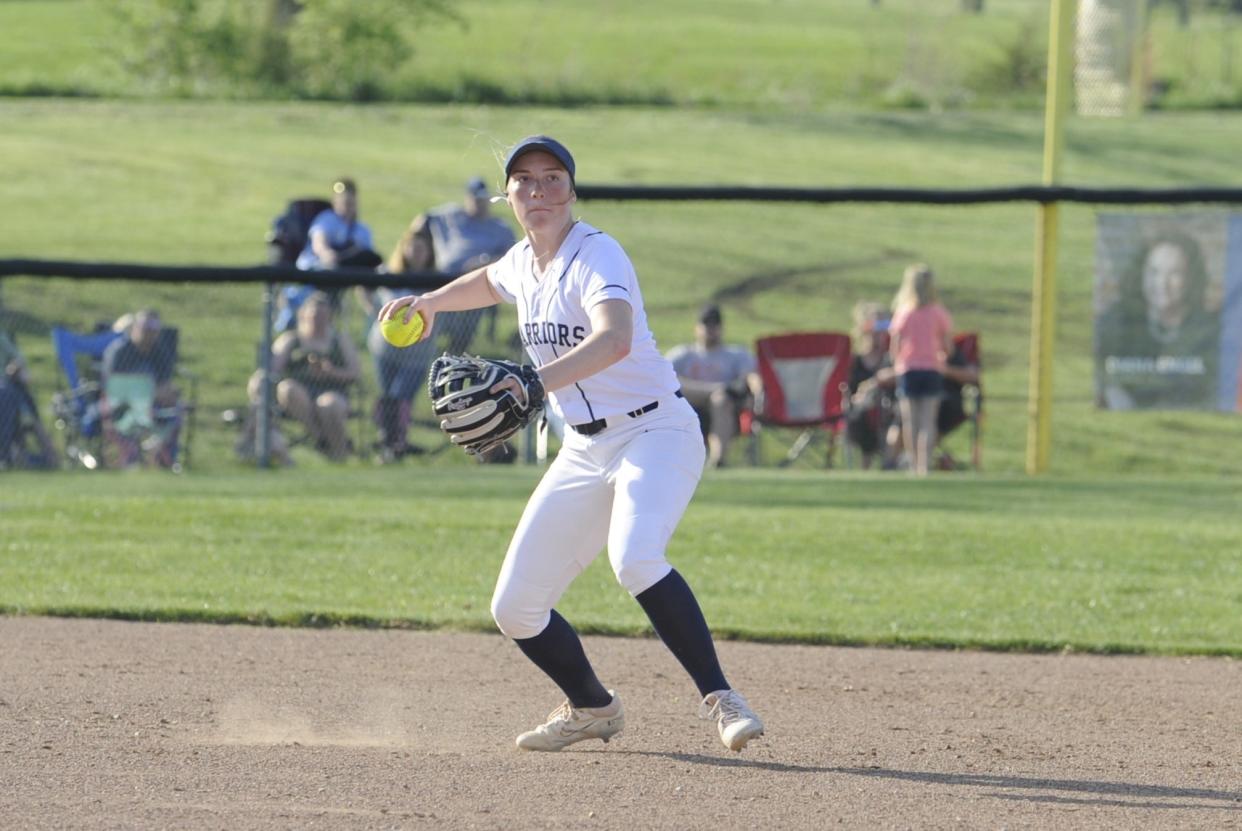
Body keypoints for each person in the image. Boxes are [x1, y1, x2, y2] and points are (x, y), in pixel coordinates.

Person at [379, 135, 765, 753]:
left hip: (655, 431)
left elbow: (613, 339)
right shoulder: (522, 262)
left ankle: (721, 697)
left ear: (572, 191)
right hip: (585, 451)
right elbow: (489, 280)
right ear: (508, 197)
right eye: (524, 181)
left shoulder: (598, 255)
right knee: (515, 608)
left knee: (636, 558)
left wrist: (532, 382)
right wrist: (428, 302)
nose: (538, 190)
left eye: (552, 178)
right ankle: (592, 707)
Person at [1095, 232, 1220, 410]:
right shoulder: (1117, 322)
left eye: (1175, 273)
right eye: (1154, 272)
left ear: (1191, 277)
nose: (1162, 283)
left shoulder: (1211, 331)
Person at [356, 221, 440, 462]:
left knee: (401, 396)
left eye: (422, 249)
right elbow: (365, 289)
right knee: (388, 397)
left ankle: (396, 443)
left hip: (417, 356)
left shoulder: (436, 281)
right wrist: (373, 312)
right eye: (412, 247)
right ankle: (388, 443)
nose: (416, 253)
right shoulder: (389, 274)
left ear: (430, 253)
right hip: (385, 351)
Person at [406, 176, 518, 353]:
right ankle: (432, 349)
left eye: (483, 199)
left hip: (480, 282)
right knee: (435, 316)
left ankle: (457, 351)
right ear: (467, 198)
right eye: (475, 198)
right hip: (444, 280)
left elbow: (512, 258)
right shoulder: (452, 215)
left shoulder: (500, 227)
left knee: (466, 324)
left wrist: (484, 262)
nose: (479, 203)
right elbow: (423, 219)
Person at [250, 291, 361, 461]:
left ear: (330, 317)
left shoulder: (339, 340)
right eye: (314, 316)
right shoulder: (291, 339)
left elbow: (354, 372)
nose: (318, 321)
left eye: (323, 316)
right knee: (288, 388)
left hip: (333, 390)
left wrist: (331, 372)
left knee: (328, 403)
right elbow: (272, 369)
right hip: (299, 396)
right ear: (303, 315)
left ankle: (340, 457)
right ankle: (320, 438)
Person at [277, 177, 383, 331]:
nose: (347, 205)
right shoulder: (327, 219)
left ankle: (374, 319)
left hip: (344, 274)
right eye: (343, 200)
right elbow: (320, 244)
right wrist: (328, 255)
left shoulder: (361, 230)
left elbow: (368, 257)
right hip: (316, 270)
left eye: (350, 201)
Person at [665, 303, 761, 468]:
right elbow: (661, 377)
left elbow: (751, 377)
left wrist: (758, 393)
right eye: (706, 325)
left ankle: (718, 460)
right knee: (675, 383)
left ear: (721, 328)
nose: (710, 329)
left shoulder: (735, 355)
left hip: (725, 409)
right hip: (688, 405)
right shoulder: (683, 354)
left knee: (720, 399)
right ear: (697, 328)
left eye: (714, 325)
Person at [889, 264, 953, 477]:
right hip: (932, 369)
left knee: (910, 421)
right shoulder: (938, 313)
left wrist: (898, 363)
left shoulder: (904, 313)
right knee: (928, 421)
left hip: (908, 370)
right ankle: (924, 466)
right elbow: (947, 346)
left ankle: (913, 465)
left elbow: (895, 346)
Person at [101, 309, 183, 469]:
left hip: (152, 405)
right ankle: (131, 458)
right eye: (144, 329)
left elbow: (165, 385)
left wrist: (161, 394)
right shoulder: (120, 352)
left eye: (152, 330)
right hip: (120, 406)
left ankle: (163, 457)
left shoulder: (159, 352)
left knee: (177, 410)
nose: (148, 334)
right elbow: (115, 389)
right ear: (135, 328)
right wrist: (150, 393)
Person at [844, 301, 897, 470]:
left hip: (889, 412)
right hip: (859, 414)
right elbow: (847, 393)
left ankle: (889, 465)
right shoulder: (853, 362)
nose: (879, 332)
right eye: (874, 325)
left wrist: (875, 383)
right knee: (861, 415)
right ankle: (864, 468)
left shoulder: (891, 361)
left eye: (885, 325)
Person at [0, 330, 55, 469]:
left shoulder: (1, 339)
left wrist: (12, 371)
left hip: (7, 390)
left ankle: (51, 459)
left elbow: (19, 359)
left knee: (28, 416)